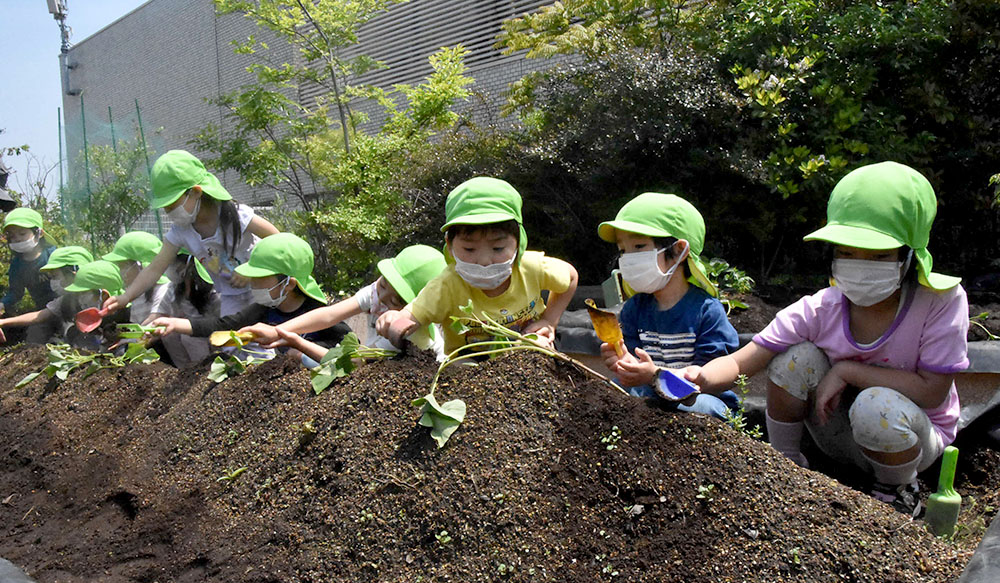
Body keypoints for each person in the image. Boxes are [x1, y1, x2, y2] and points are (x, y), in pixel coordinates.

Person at [686, 162, 969, 514]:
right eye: (847, 252)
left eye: (878, 255)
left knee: (875, 406)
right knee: (795, 358)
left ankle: (895, 490)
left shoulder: (939, 302)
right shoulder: (821, 309)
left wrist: (848, 371)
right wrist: (695, 379)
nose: (860, 264)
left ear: (908, 256)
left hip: (910, 441)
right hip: (834, 432)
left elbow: (932, 391)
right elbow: (743, 360)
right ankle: (784, 468)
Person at [376, 177, 579, 353]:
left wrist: (550, 321)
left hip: (527, 352)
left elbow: (570, 277)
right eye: (469, 250)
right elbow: (413, 315)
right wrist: (395, 318)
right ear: (450, 246)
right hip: (470, 367)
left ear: (520, 242)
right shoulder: (447, 285)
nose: (484, 261)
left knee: (542, 346)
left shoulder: (531, 267)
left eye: (498, 248)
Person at [596, 193, 740, 420]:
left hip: (697, 398)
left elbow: (708, 378)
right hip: (650, 392)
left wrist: (655, 375)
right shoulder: (634, 308)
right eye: (623, 250)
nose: (628, 259)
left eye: (639, 246)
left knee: (703, 408)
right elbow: (634, 364)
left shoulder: (707, 310)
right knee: (608, 395)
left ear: (679, 251)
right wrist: (624, 362)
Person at [102, 150, 279, 319]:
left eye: (171, 204)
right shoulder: (181, 231)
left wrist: (252, 272)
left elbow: (279, 240)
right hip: (230, 296)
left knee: (266, 340)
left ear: (195, 192)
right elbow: (155, 268)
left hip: (262, 289)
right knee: (231, 343)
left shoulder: (236, 215)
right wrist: (125, 298)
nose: (168, 211)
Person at [150, 232, 350, 360]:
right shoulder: (265, 309)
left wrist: (304, 350)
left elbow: (348, 345)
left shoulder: (319, 313)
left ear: (288, 284)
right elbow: (224, 325)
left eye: (260, 279)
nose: (253, 285)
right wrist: (176, 324)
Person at [244, 244, 447, 362]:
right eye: (383, 285)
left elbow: (353, 362)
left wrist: (299, 343)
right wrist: (278, 330)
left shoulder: (411, 334)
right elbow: (329, 315)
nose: (382, 300)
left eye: (395, 301)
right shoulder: (379, 290)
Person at [0, 245, 93, 344]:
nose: (53, 281)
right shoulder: (66, 301)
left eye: (55, 276)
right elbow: (39, 316)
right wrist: (3, 322)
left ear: (72, 273)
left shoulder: (98, 295)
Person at [102, 231, 173, 326]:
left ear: (141, 266)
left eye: (124, 266)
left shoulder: (164, 290)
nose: (121, 272)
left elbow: (152, 324)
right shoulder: (137, 295)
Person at [1, 208, 55, 317]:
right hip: (41, 313)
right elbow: (15, 293)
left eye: (22, 233)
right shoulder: (17, 266)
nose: (17, 239)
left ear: (39, 233)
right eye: (12, 236)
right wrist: (2, 303)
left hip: (67, 306)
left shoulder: (53, 255)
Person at [64, 260, 127, 349]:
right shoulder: (88, 323)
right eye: (78, 294)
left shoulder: (127, 317)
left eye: (84, 293)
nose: (80, 299)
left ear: (104, 295)